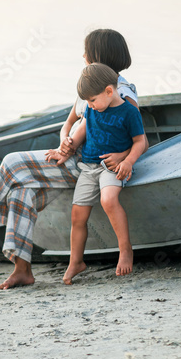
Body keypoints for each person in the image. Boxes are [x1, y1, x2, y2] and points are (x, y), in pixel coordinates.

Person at [0, 29, 147, 289]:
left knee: (11, 163)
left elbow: (135, 134)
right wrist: (64, 141)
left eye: (87, 52)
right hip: (72, 155)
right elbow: (69, 124)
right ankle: (22, 269)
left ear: (99, 55)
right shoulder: (89, 84)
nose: (83, 56)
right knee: (21, 192)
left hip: (88, 163)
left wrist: (122, 157)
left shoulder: (121, 91)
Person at [53, 64, 146, 284]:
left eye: (92, 100)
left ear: (109, 91)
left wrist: (128, 161)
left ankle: (125, 250)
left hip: (111, 168)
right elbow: (81, 132)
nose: (89, 105)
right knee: (77, 215)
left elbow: (140, 142)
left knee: (108, 200)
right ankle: (76, 261)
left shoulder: (129, 112)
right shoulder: (92, 109)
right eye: (87, 101)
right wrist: (66, 148)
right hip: (88, 167)